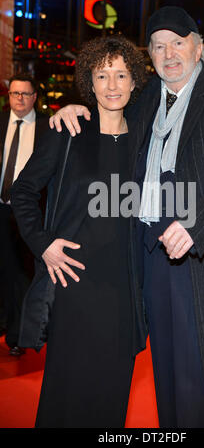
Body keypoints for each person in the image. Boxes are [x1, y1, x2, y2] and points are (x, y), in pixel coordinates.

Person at [49, 6, 204, 428]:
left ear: (199, 48)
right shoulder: (146, 97)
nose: (169, 54)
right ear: (149, 56)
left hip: (203, 260)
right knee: (166, 377)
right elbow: (107, 107)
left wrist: (195, 225)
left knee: (199, 384)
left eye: (179, 43)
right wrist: (71, 111)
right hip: (148, 256)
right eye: (158, 46)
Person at [10, 36, 147, 428]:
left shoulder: (143, 137)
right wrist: (43, 243)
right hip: (74, 285)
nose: (112, 84)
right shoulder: (68, 130)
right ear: (89, 81)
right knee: (67, 393)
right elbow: (23, 192)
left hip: (125, 289)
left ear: (135, 80)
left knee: (112, 395)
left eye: (121, 74)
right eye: (101, 75)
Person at [0, 74, 48, 356]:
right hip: (0, 208)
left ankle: (23, 332)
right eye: (14, 93)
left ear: (34, 97)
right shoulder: (0, 122)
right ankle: (10, 326)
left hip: (29, 213)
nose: (19, 98)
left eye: (24, 94)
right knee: (6, 271)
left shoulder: (47, 127)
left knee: (25, 272)